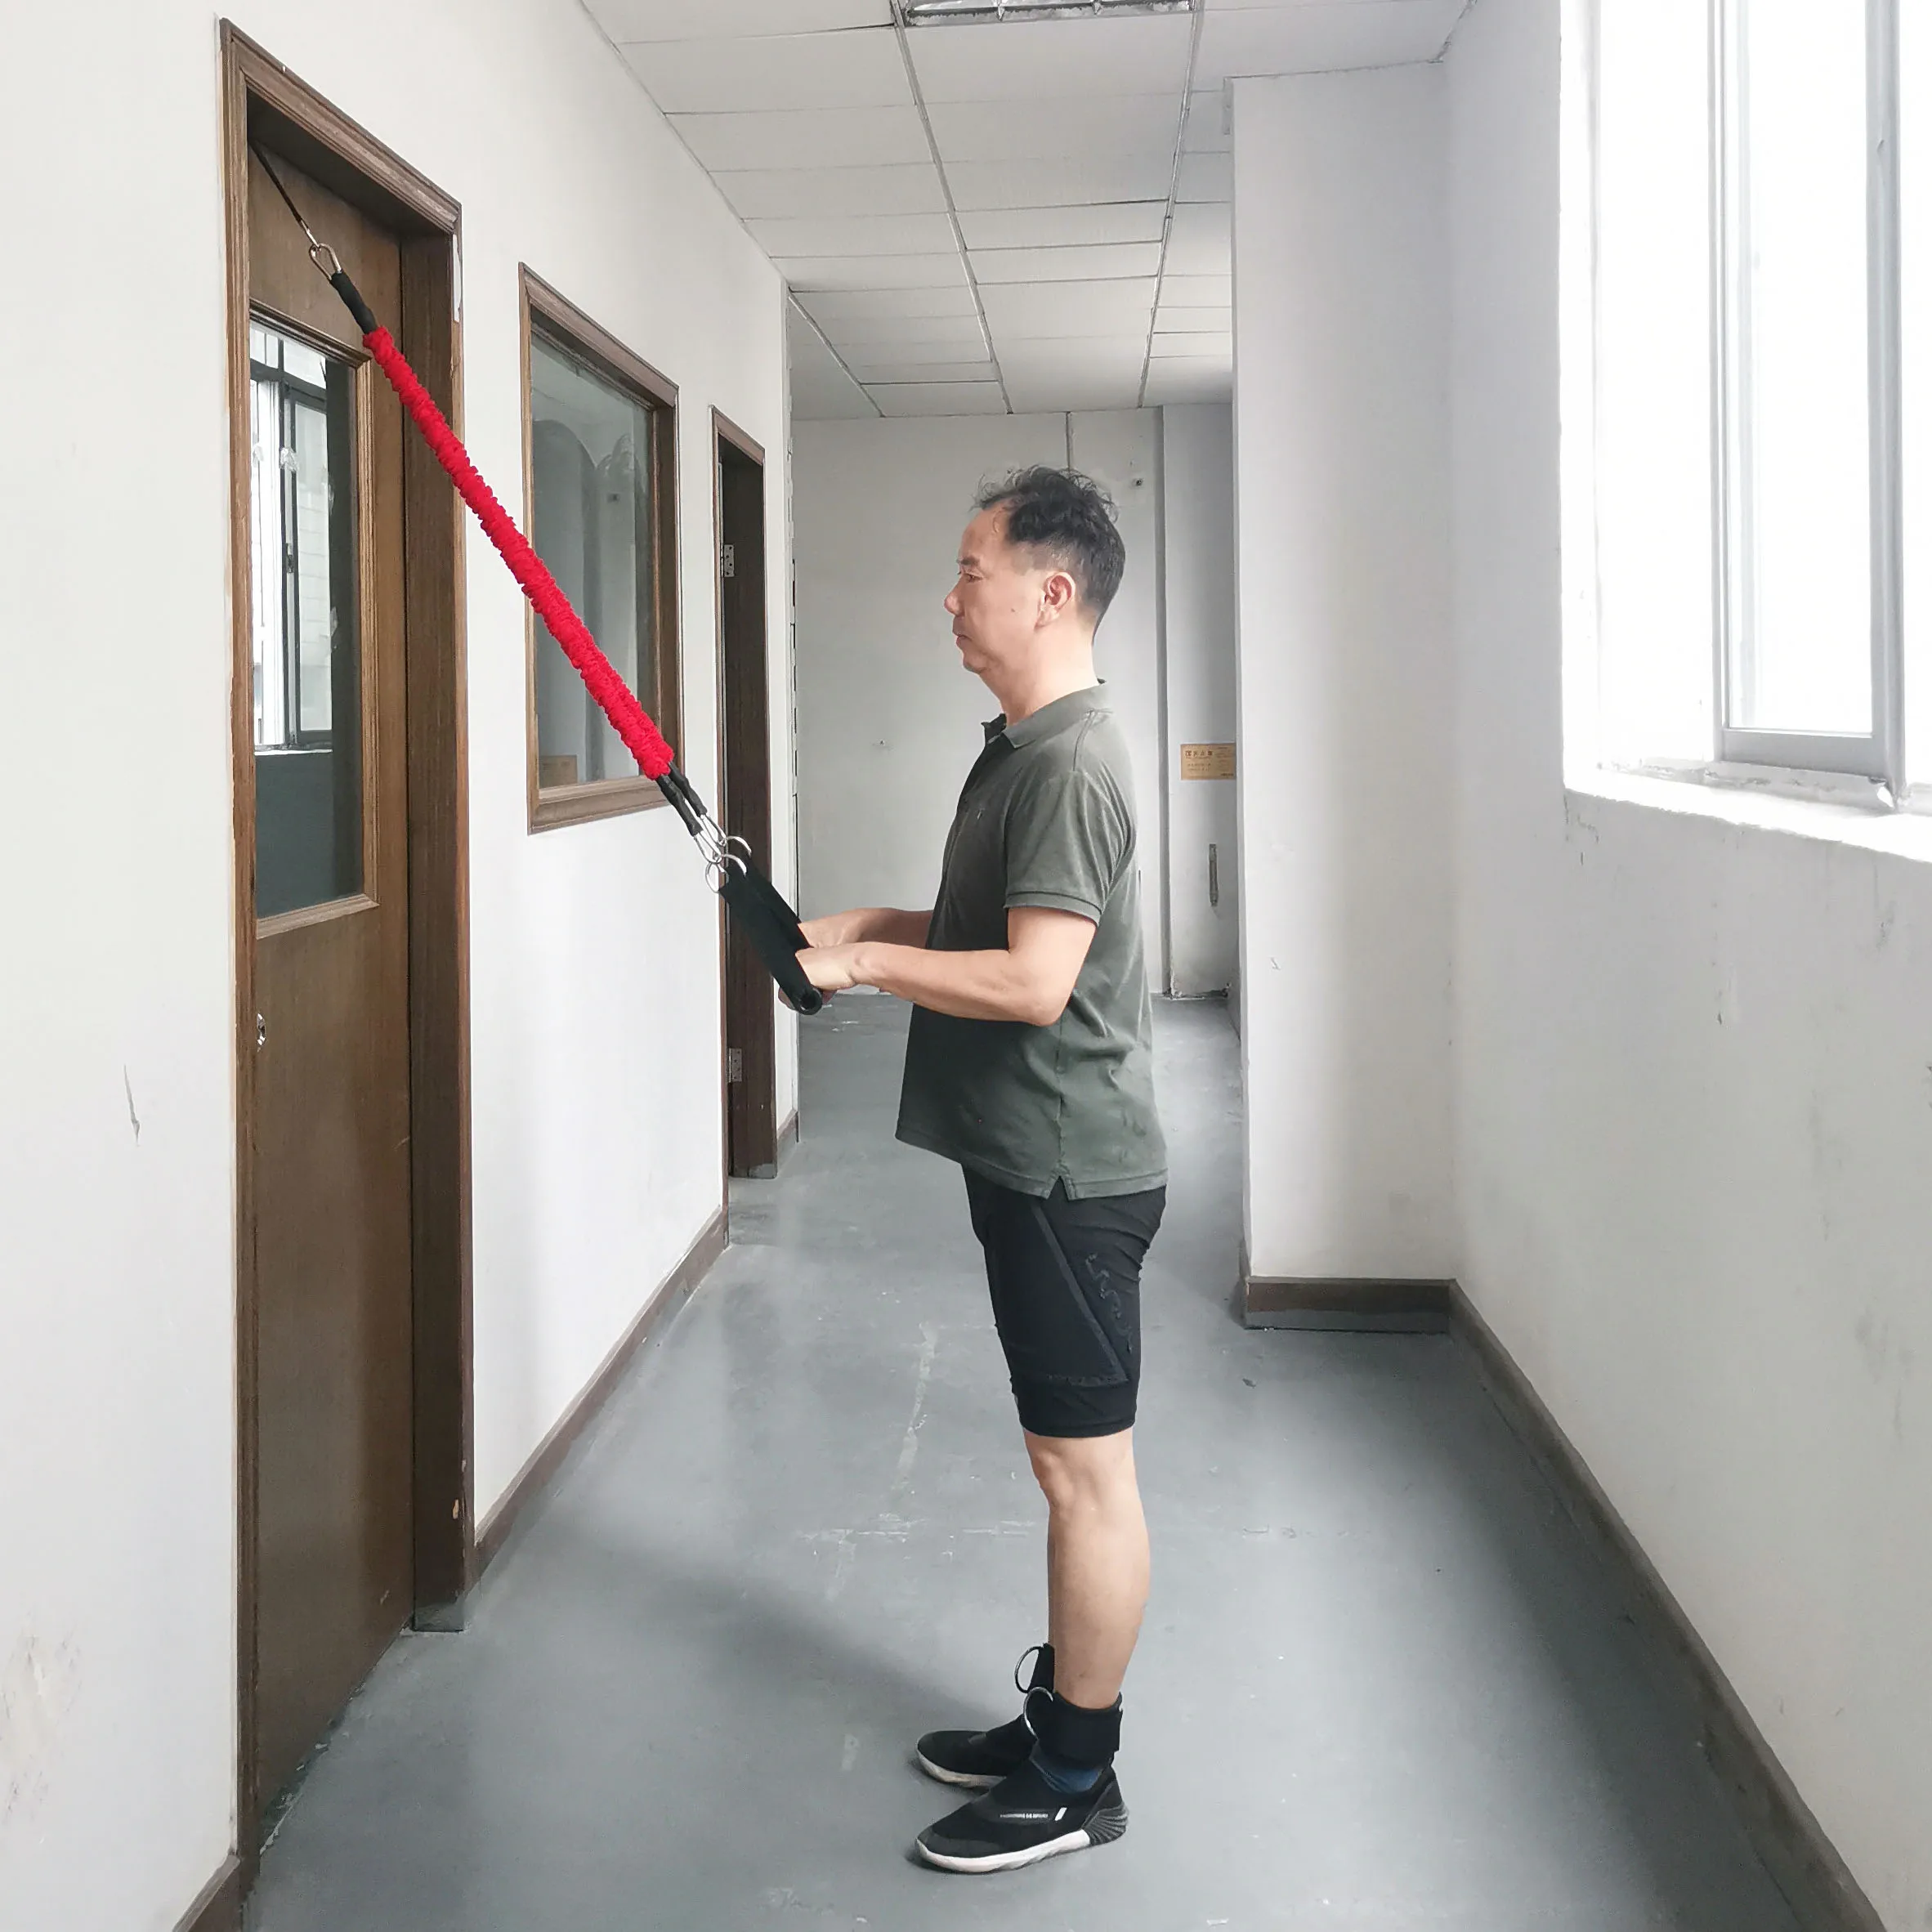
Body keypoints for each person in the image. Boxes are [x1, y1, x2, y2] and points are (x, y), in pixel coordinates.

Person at [798, 467, 1166, 1875]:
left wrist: (866, 970)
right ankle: (1056, 1725)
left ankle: (1077, 1777)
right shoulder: (1022, 748)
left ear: (1050, 593)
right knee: (1062, 1466)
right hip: (1031, 1165)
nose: (950, 598)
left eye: (971, 571)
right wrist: (857, 924)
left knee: (1085, 1479)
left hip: (1072, 1177)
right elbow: (983, 928)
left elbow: (1029, 983)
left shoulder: (1069, 764)